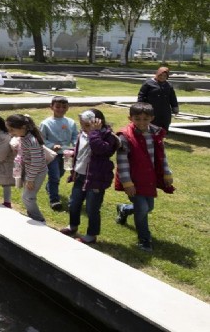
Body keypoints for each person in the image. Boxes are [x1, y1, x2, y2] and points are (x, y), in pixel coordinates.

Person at [115, 102, 174, 252]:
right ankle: (144, 239)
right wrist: (127, 182)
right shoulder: (125, 136)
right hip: (134, 179)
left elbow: (161, 156)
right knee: (142, 209)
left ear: (152, 118)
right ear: (130, 118)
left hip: (149, 177)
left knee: (149, 207)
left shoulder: (156, 133)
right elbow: (122, 161)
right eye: (137, 119)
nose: (142, 122)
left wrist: (167, 172)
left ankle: (125, 209)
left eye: (145, 119)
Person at [59, 109, 119, 244]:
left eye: (86, 125)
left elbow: (101, 150)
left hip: (96, 178)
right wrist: (73, 153)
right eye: (82, 125)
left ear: (98, 123)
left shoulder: (108, 136)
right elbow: (82, 149)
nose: (83, 128)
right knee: (73, 203)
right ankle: (73, 226)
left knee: (92, 208)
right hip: (80, 175)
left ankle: (91, 235)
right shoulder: (83, 133)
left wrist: (94, 133)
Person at [6, 114, 48, 222]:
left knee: (28, 197)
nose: (10, 133)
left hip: (36, 172)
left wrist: (30, 179)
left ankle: (39, 220)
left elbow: (37, 162)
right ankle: (32, 216)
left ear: (23, 127)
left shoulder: (32, 141)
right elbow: (23, 153)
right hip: (30, 170)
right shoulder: (23, 137)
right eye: (9, 130)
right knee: (27, 196)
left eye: (12, 130)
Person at [39, 96, 78, 211]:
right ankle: (54, 200)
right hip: (53, 154)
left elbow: (75, 136)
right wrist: (51, 145)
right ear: (51, 107)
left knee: (61, 173)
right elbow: (41, 139)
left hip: (67, 153)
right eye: (58, 107)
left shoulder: (71, 122)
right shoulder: (46, 123)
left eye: (64, 107)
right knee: (54, 176)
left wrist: (76, 145)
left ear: (68, 108)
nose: (61, 109)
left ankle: (49, 186)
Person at [137, 67, 179, 131]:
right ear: (157, 74)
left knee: (164, 124)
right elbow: (141, 95)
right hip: (151, 109)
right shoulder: (148, 83)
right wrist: (139, 107)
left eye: (165, 76)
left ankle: (160, 138)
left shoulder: (168, 85)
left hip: (165, 111)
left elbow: (172, 98)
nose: (162, 77)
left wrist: (175, 108)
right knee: (151, 124)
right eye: (160, 75)